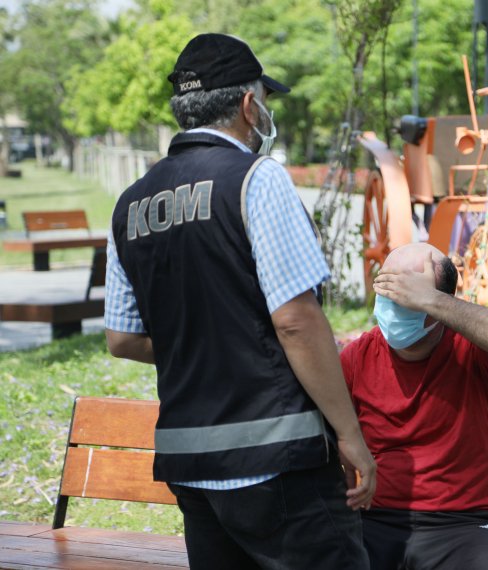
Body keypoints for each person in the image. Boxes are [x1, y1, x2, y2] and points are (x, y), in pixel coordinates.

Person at [104, 33, 375, 569]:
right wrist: (349, 434)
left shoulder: (129, 204)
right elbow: (295, 321)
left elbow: (123, 337)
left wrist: (211, 340)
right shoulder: (257, 178)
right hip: (277, 460)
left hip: (189, 463)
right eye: (265, 101)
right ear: (249, 106)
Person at [340, 242, 488, 570]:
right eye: (387, 288)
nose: (393, 302)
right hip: (374, 520)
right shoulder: (357, 357)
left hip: (464, 523)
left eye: (406, 294)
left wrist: (430, 300)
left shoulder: (471, 347)